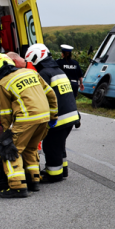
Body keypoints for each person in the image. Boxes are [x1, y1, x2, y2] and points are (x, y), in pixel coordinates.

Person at [0, 55, 58, 198]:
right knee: (31, 148)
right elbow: (51, 94)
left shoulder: (3, 83)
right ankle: (34, 180)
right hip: (44, 117)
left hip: (26, 118)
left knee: (10, 150)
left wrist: (6, 134)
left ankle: (17, 187)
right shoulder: (31, 72)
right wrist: (53, 116)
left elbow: (5, 112)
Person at [25, 43, 80, 182]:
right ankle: (63, 170)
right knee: (59, 145)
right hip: (71, 115)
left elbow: (42, 97)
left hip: (60, 117)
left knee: (50, 145)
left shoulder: (44, 74)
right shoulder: (58, 71)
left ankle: (54, 174)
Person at [56, 44, 83, 128]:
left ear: (63, 53)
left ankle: (75, 117)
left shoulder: (59, 63)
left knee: (64, 102)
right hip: (74, 84)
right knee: (72, 101)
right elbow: (80, 76)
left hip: (64, 84)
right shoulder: (75, 63)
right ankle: (76, 118)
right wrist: (81, 84)